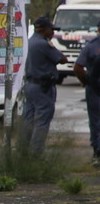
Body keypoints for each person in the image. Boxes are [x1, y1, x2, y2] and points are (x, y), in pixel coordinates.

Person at [21, 16, 69, 155]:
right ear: (45, 30)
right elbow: (62, 59)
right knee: (42, 120)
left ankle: (23, 151)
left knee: (28, 119)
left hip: (30, 85)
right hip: (43, 87)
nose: (53, 33)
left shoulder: (30, 42)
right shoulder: (44, 43)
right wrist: (51, 43)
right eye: (51, 30)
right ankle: (36, 153)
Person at [73, 20, 100, 167]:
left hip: (94, 87)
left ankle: (97, 153)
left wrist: (85, 80)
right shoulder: (92, 46)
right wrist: (86, 81)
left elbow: (77, 67)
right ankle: (97, 152)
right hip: (95, 88)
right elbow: (77, 67)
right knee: (96, 121)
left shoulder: (92, 45)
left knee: (96, 121)